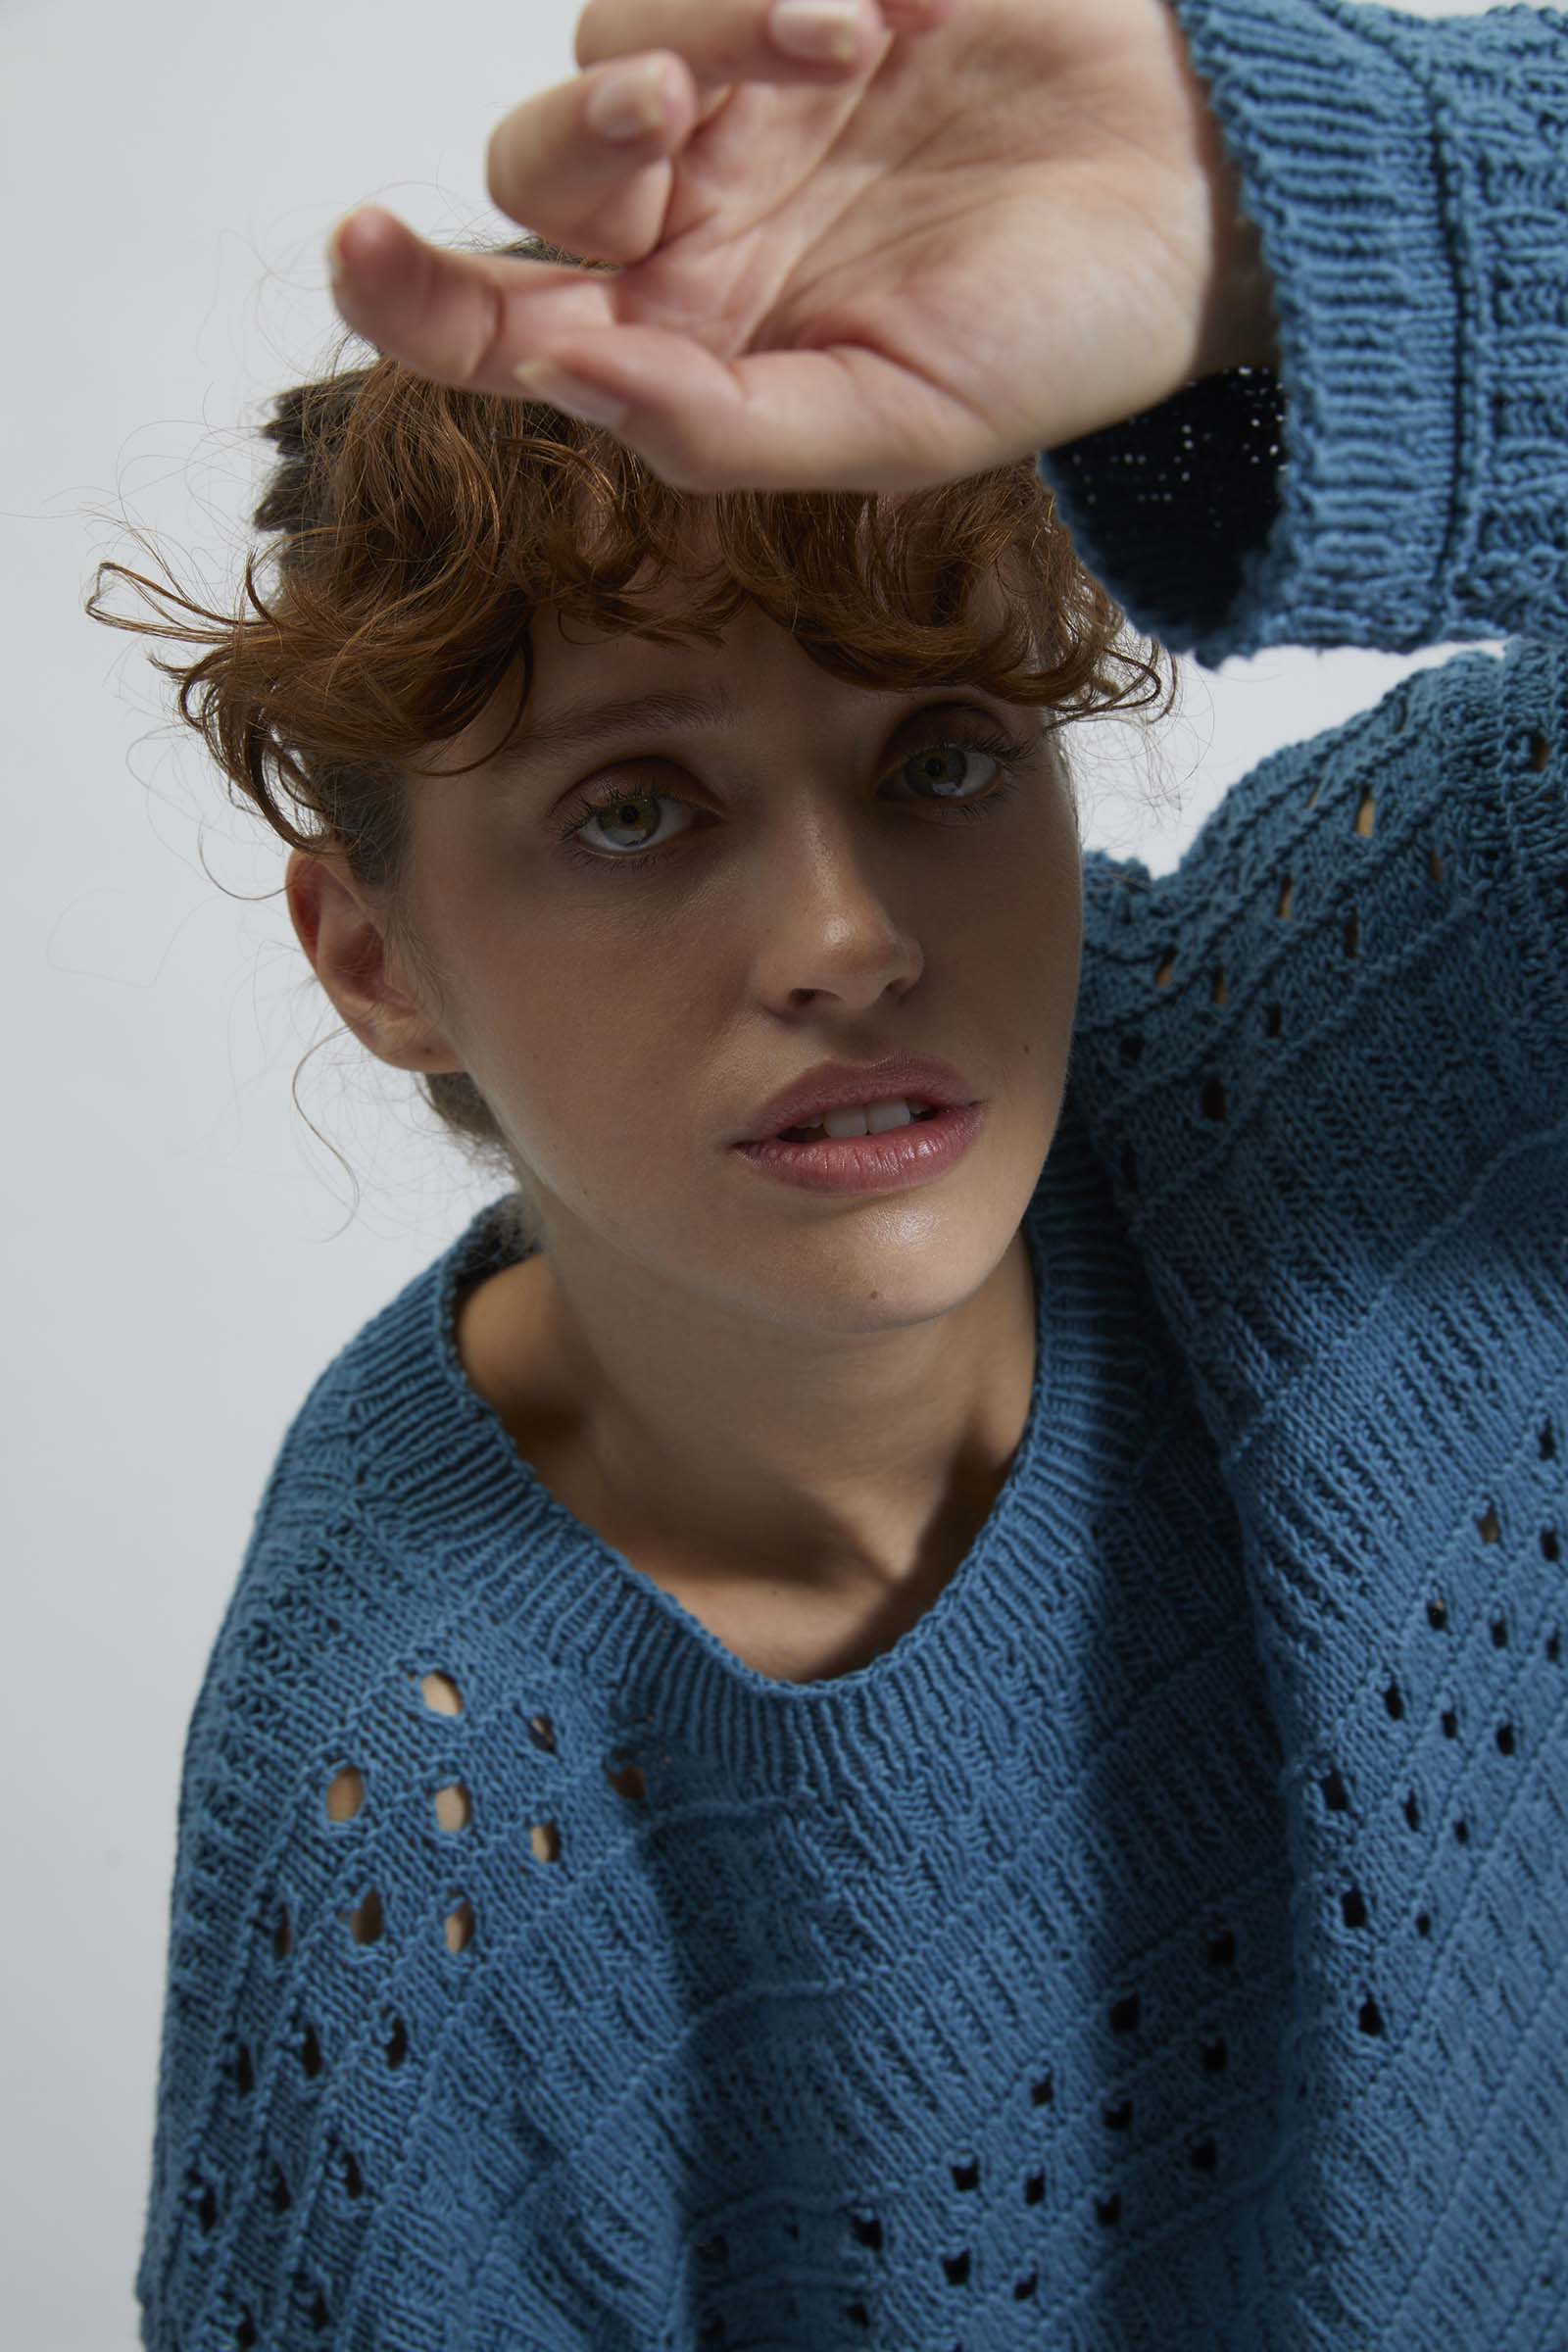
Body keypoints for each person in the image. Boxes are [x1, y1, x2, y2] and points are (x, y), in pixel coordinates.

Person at [104, 0, 1567, 2344]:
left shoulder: (1374, 1044)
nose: (847, 938)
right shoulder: (423, 1811)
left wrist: (1263, 210)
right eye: (634, 810)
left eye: (942, 760)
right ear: (372, 955)